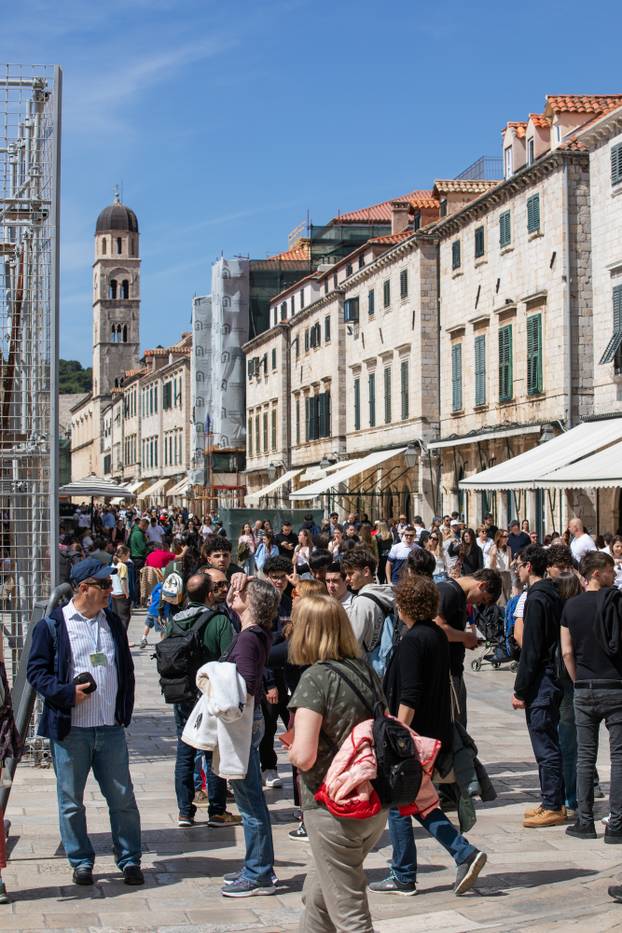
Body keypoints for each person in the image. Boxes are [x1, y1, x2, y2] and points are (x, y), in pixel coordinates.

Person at [26, 558, 143, 886]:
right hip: (71, 730)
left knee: (122, 798)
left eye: (111, 584)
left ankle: (130, 859)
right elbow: (35, 672)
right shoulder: (52, 625)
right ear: (82, 588)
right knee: (71, 801)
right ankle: (80, 860)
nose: (111, 590)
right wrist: (65, 692)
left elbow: (126, 669)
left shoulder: (112, 622)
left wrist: (124, 711)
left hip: (109, 727)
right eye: (104, 585)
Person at [370, 574, 487, 897]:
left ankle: (405, 874)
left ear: (404, 605)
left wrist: (396, 739)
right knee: (418, 803)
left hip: (413, 737)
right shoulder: (434, 634)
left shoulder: (412, 641)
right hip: (435, 732)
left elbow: (409, 695)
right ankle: (462, 854)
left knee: (399, 803)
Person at [287, 594, 387, 932]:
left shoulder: (315, 679)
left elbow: (304, 756)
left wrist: (288, 750)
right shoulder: (365, 671)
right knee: (317, 900)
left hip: (333, 809)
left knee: (350, 916)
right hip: (372, 803)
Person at [165, 572, 240, 828]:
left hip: (181, 693)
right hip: (209, 694)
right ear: (209, 594)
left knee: (184, 750)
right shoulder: (219, 621)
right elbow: (230, 660)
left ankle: (185, 812)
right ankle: (217, 810)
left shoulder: (173, 621)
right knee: (212, 750)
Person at [221, 576, 280, 897]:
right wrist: (237, 584)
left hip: (242, 721)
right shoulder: (253, 633)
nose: (234, 595)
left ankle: (259, 872)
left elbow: (240, 686)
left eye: (241, 593)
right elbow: (232, 608)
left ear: (253, 603)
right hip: (250, 721)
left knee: (249, 801)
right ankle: (256, 866)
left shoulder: (247, 639)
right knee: (250, 798)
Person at [562, 551, 622, 841]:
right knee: (619, 757)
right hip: (615, 686)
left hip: (584, 686)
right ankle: (617, 825)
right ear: (596, 573)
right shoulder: (616, 602)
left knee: (585, 757)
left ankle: (585, 822)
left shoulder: (570, 607)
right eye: (610, 570)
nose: (614, 575)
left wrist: (578, 681)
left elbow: (566, 652)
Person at [512, 545, 565, 827]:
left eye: (519, 564)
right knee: (549, 739)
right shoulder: (551, 593)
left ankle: (553, 804)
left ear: (529, 566)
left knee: (544, 741)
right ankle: (552, 799)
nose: (517, 569)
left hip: (542, 678)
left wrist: (520, 689)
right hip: (551, 675)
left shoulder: (537, 597)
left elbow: (531, 649)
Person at [436, 568, 502, 727]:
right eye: (483, 599)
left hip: (453, 670)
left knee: (458, 727)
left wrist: (464, 640)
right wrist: (465, 637)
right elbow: (437, 627)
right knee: (454, 728)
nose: (478, 603)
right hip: (446, 673)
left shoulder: (457, 595)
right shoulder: (448, 592)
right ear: (482, 585)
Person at [342, 548, 395, 652]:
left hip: (368, 664)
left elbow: (352, 644)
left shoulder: (361, 602)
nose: (347, 578)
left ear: (366, 571)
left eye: (351, 573)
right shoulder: (386, 592)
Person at [110, 545, 132, 632]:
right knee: (124, 619)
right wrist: (126, 593)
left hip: (114, 594)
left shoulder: (113, 564)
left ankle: (118, 638)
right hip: (122, 594)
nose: (128, 557)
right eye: (128, 555)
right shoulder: (122, 566)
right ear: (123, 555)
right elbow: (123, 580)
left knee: (117, 618)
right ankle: (123, 639)